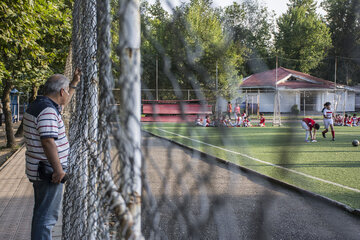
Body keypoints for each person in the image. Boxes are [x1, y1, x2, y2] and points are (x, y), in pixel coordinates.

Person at [23, 69, 81, 240]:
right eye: (66, 91)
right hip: (49, 172)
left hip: (40, 169)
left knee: (42, 213)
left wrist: (74, 83)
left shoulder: (40, 105)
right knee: (47, 218)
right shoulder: (47, 111)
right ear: (61, 92)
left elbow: (65, 101)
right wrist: (58, 170)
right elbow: (48, 141)